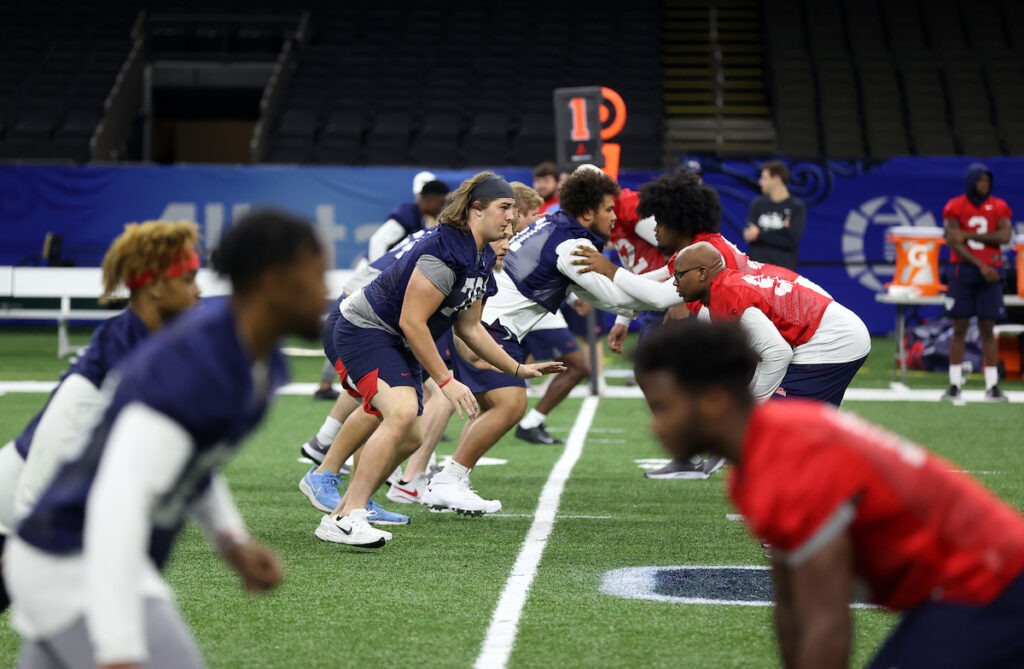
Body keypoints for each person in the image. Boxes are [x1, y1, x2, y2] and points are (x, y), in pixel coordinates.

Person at [4, 209, 328, 669]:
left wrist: (231, 541)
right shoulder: (193, 367)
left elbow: (195, 460)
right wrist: (119, 649)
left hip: (85, 559)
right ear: (274, 282)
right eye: (316, 276)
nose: (326, 292)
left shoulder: (262, 363)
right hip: (69, 560)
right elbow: (119, 499)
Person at [635, 319, 1024, 669]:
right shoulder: (755, 462)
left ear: (713, 401)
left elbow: (828, 622)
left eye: (662, 407)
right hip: (967, 584)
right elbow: (791, 608)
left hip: (991, 579)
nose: (655, 426)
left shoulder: (791, 459)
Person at [315, 172, 564, 547]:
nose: (512, 217)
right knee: (397, 412)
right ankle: (345, 511)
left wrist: (515, 367)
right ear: (476, 209)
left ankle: (344, 504)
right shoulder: (445, 250)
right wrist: (447, 382)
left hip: (394, 337)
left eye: (513, 210)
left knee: (411, 432)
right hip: (366, 328)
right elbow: (411, 322)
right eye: (505, 207)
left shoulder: (480, 256)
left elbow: (471, 328)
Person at [420, 168, 667, 513]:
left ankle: (452, 482)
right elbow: (617, 300)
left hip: (487, 320)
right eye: (609, 209)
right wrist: (677, 282)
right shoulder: (572, 244)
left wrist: (671, 271)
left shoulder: (559, 227)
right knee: (511, 406)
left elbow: (607, 294)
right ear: (587, 213)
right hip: (491, 327)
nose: (615, 217)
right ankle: (447, 480)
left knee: (493, 409)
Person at [0, 220, 202, 615]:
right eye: (190, 277)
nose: (199, 289)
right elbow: (50, 450)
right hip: (18, 507)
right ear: (158, 286)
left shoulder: (162, 346)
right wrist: (29, 544)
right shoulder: (116, 357)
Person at [673, 242, 870, 406]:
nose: (674, 283)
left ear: (701, 273)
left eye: (679, 275)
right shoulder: (725, 288)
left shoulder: (728, 296)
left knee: (777, 422)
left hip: (832, 339)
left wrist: (750, 406)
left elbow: (777, 353)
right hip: (834, 332)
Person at [510, 182, 592, 445]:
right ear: (517, 212)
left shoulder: (531, 234)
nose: (537, 220)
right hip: (524, 310)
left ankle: (530, 422)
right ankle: (528, 422)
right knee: (577, 366)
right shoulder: (506, 238)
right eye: (533, 215)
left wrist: (577, 294)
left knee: (577, 367)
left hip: (536, 310)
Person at [940, 162, 1013, 402]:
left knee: (988, 328)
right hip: (964, 271)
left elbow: (1005, 236)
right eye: (980, 181)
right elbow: (952, 240)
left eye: (987, 181)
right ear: (972, 181)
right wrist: (979, 264)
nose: (984, 185)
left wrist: (969, 234)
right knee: (959, 327)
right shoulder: (954, 205)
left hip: (991, 272)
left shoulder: (999, 206)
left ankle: (992, 386)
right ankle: (953, 385)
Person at [743, 160, 805, 272]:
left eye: (764, 178)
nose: (760, 182)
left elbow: (790, 240)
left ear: (776, 179)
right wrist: (782, 232)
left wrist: (759, 234)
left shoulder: (796, 207)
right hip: (758, 272)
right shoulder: (757, 204)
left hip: (784, 274)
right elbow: (749, 235)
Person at [367, 178, 450, 261]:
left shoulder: (421, 219)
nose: (442, 208)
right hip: (368, 270)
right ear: (430, 198)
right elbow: (378, 241)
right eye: (441, 203)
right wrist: (376, 271)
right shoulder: (407, 214)